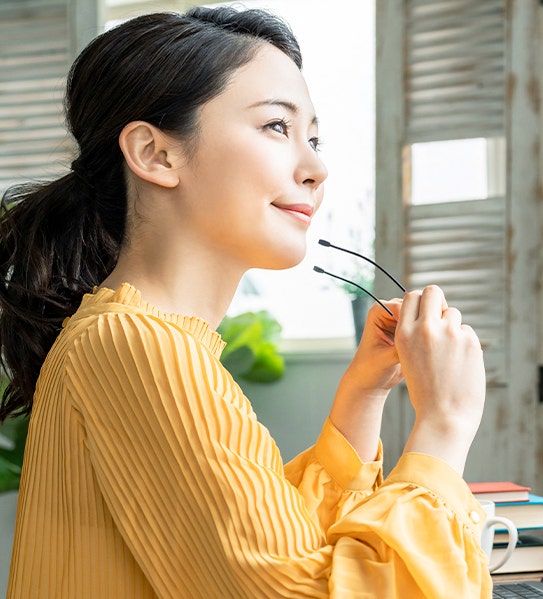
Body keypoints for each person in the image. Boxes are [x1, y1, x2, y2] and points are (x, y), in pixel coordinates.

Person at [0, 7, 490, 598]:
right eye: (276, 128)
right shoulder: (136, 346)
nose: (315, 167)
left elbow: (277, 549)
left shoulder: (139, 339)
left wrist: (364, 394)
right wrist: (444, 425)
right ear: (156, 154)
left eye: (313, 137)